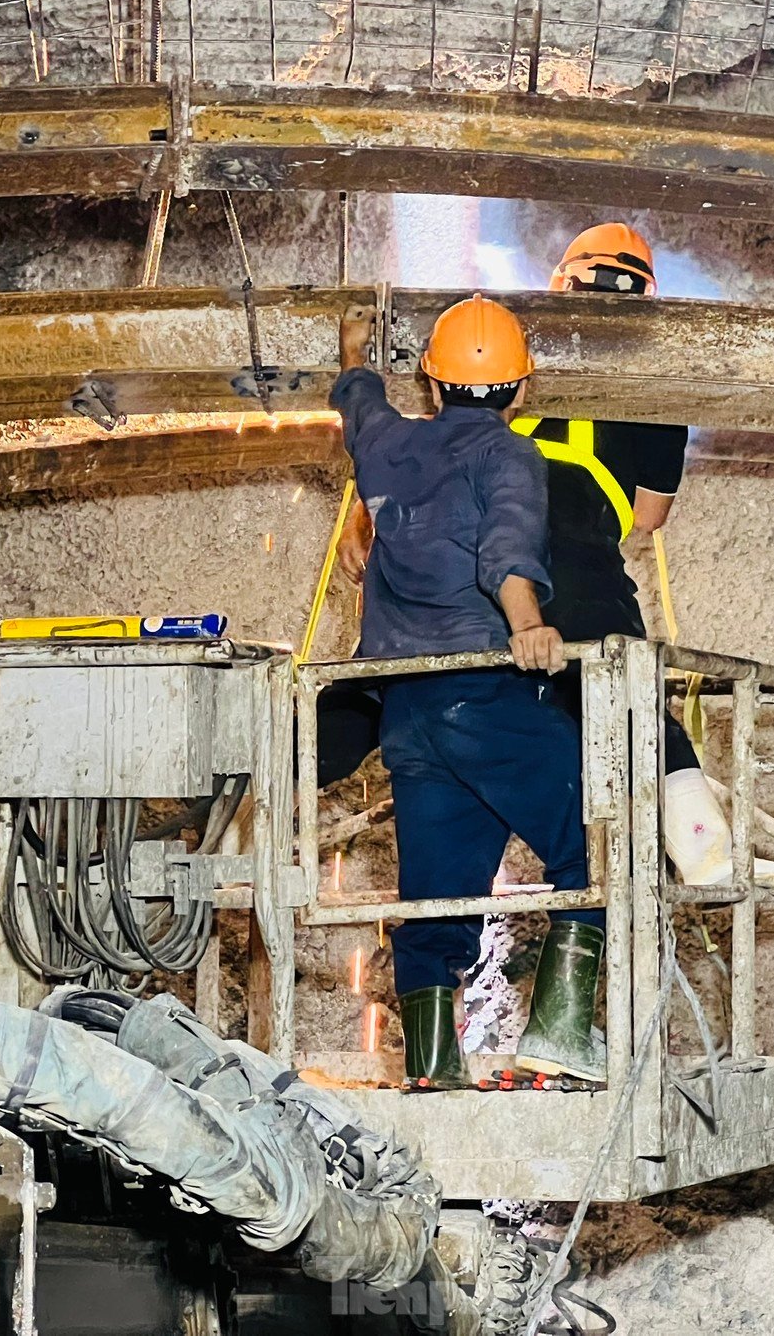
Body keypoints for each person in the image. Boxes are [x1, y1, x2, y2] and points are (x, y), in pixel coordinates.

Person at [324, 222, 748, 887]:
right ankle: (704, 849)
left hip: (463, 547)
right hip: (577, 559)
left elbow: (424, 453)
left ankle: (254, 784)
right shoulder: (652, 378)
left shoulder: (511, 347)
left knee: (384, 687)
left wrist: (364, 520)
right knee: (625, 701)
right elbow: (649, 515)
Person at [332, 295, 608, 1088]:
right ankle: (559, 1031)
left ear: (430, 381)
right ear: (523, 390)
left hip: (407, 713)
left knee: (436, 890)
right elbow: (508, 550)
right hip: (481, 695)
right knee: (597, 835)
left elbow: (360, 406)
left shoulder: (387, 449)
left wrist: (355, 350)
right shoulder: (510, 457)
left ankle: (429, 1064)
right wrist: (528, 624)